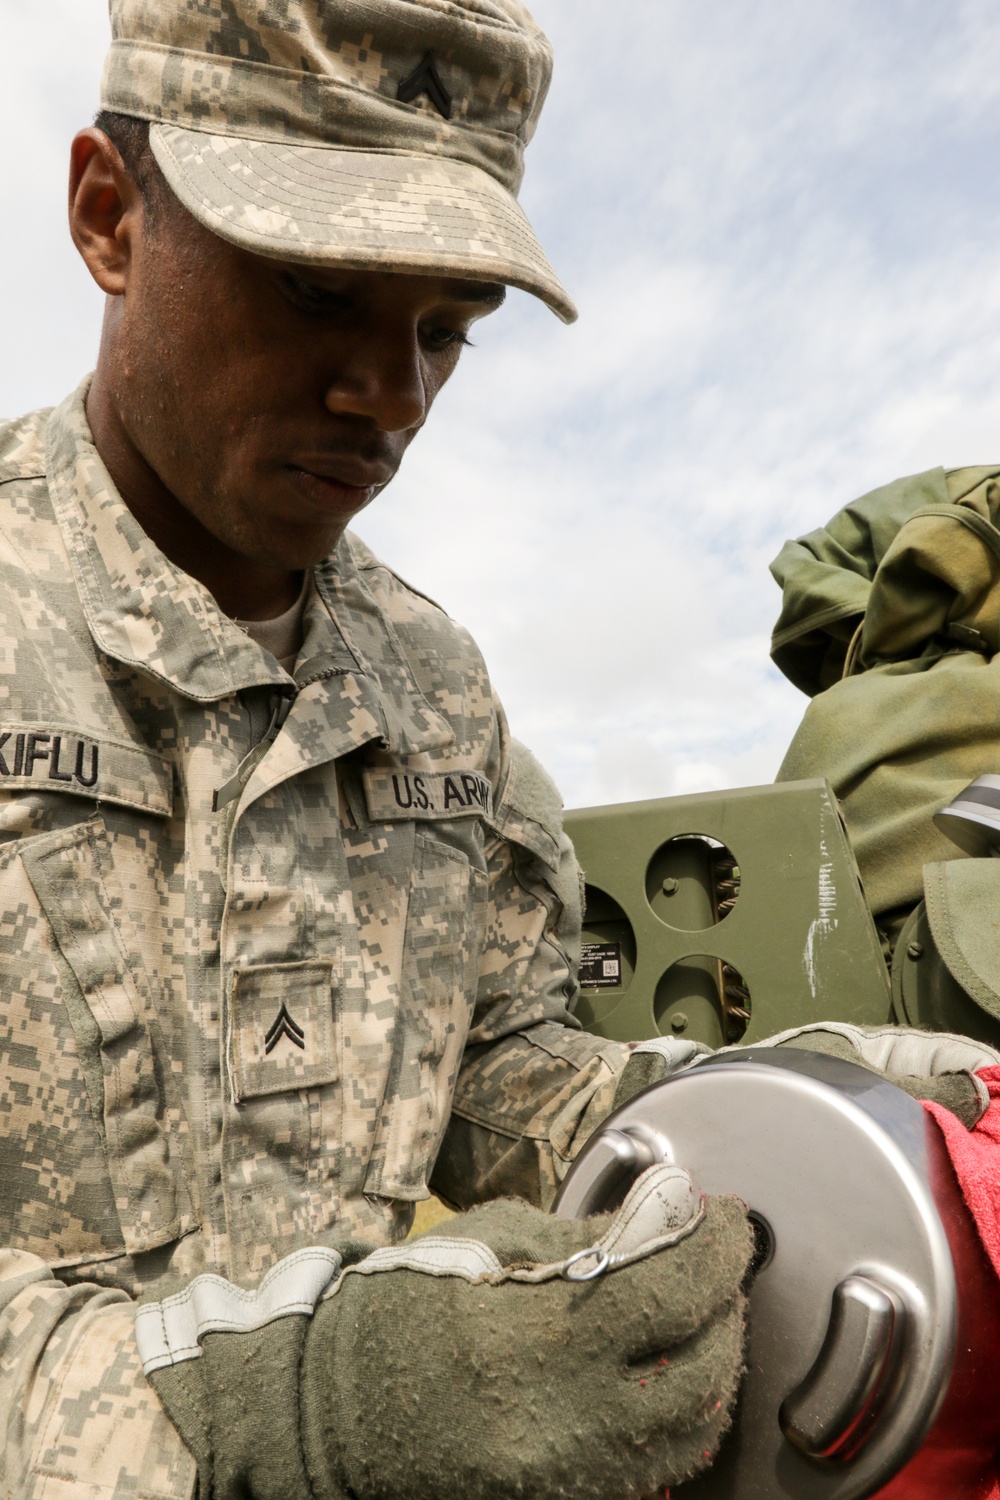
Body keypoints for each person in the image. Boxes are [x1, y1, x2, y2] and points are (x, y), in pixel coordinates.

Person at [0, 3, 754, 1497]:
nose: (391, 398)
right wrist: (270, 1418)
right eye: (315, 289)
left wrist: (805, 1106)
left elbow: (501, 1075)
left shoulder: (432, 684)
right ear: (108, 216)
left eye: (441, 331)